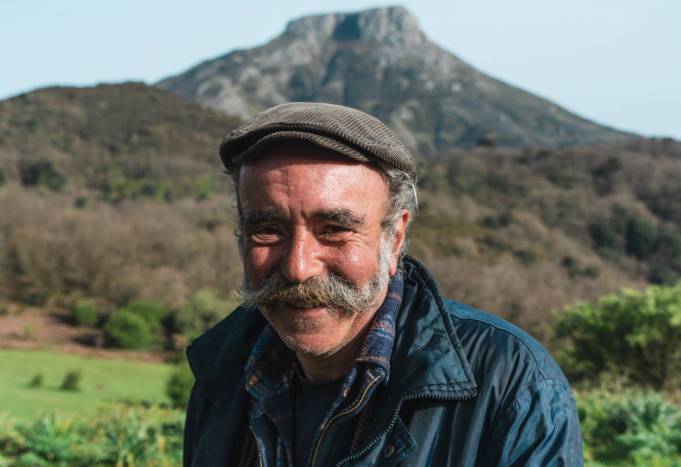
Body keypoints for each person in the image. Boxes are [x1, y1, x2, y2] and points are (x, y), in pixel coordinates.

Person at [183, 102, 583, 466]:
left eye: (335, 229)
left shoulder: (511, 382)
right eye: (268, 230)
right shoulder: (223, 372)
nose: (298, 267)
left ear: (394, 238)